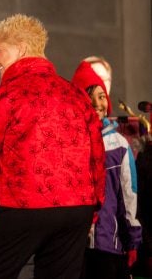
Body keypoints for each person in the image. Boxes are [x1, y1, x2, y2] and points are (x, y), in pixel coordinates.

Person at [0, 14, 106, 279]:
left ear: (21, 48)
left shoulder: (7, 95)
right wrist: (93, 209)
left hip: (24, 205)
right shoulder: (74, 93)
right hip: (77, 209)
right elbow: (97, 156)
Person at [72, 60, 142, 279]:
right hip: (74, 249)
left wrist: (132, 241)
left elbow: (129, 197)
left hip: (108, 247)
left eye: (101, 96)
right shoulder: (69, 143)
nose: (96, 103)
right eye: (89, 96)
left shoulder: (119, 144)